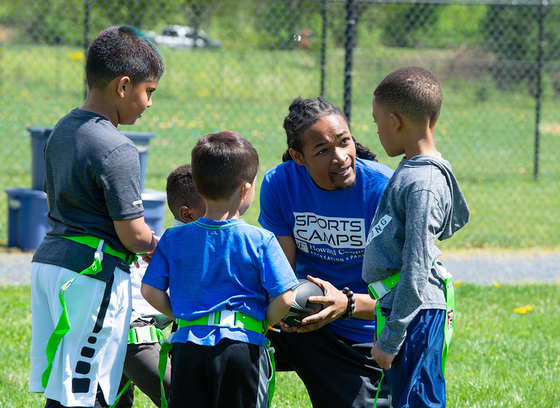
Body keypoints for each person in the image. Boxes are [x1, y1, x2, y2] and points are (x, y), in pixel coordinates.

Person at [29, 25, 164, 408]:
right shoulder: (118, 148)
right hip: (91, 275)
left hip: (51, 266)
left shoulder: (62, 130)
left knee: (71, 381)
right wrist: (160, 247)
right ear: (123, 86)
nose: (150, 104)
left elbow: (55, 201)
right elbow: (133, 234)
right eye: (148, 92)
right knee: (86, 393)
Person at [141, 131, 299, 408]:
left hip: (187, 346)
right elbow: (286, 297)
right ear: (244, 189)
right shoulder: (261, 240)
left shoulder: (173, 238)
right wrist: (263, 321)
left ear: (198, 187)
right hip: (240, 348)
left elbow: (149, 290)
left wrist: (180, 312)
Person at [258, 96, 394, 408]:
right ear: (298, 156)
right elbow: (281, 273)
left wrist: (345, 304)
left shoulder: (383, 188)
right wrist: (284, 311)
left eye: (345, 142)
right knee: (222, 337)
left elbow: (403, 297)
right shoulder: (280, 184)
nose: (342, 157)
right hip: (300, 317)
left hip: (358, 332)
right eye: (323, 150)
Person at [362, 66, 470, 407]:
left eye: (377, 121)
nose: (376, 130)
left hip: (416, 314)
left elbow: (417, 266)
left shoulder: (423, 183)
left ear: (395, 121)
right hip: (405, 310)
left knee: (419, 402)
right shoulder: (413, 169)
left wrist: (392, 336)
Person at [115, 164, 206, 408]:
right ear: (188, 214)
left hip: (129, 331)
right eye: (216, 203)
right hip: (132, 334)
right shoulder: (186, 245)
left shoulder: (172, 241)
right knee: (185, 399)